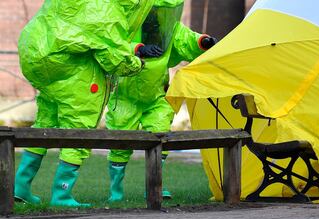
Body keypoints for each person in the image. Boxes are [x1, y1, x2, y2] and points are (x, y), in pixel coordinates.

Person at [15, 0, 157, 207]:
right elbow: (115, 58)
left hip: (36, 52)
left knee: (46, 121)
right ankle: (61, 194)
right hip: (70, 65)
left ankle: (20, 186)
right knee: (79, 125)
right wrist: (138, 64)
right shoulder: (108, 10)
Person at [105, 0, 217, 202]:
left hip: (156, 95)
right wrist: (137, 49)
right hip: (125, 97)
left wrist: (203, 42)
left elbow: (185, 38)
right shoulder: (127, 21)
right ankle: (115, 192)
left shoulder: (167, 26)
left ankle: (154, 188)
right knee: (120, 143)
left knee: (160, 138)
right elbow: (113, 43)